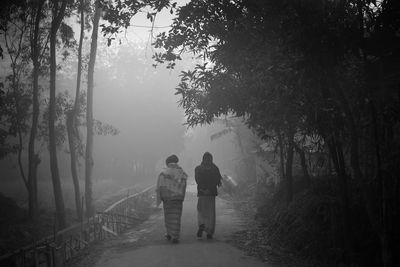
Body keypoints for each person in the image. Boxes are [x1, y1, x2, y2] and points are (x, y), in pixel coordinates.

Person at [156, 155, 187, 243]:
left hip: (167, 199)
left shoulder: (163, 172)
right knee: (176, 217)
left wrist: (160, 197)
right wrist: (181, 195)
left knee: (168, 217)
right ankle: (175, 236)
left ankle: (169, 233)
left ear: (167, 163)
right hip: (178, 198)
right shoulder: (181, 172)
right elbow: (184, 184)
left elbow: (160, 186)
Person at [194, 152, 222, 239]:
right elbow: (218, 181)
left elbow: (198, 180)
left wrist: (204, 189)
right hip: (211, 194)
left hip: (202, 193)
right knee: (211, 212)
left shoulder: (198, 169)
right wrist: (209, 189)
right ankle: (209, 231)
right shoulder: (215, 168)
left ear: (203, 159)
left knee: (201, 210)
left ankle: (202, 224)